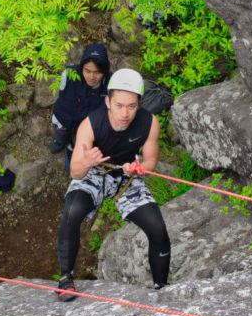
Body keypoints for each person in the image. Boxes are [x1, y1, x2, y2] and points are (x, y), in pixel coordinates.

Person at [55, 68, 171, 300]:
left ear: (139, 103)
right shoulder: (90, 125)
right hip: (93, 173)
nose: (125, 113)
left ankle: (162, 289)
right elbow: (75, 173)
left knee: (157, 228)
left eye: (131, 106)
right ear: (108, 101)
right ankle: (65, 279)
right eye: (119, 105)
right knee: (73, 211)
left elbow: (150, 162)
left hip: (126, 178)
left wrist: (140, 167)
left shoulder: (149, 123)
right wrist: (87, 162)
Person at [49, 43, 112, 162]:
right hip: (64, 117)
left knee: (77, 142)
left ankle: (70, 150)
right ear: (82, 67)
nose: (91, 76)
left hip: (85, 126)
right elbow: (61, 96)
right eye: (87, 71)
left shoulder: (110, 84)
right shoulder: (69, 75)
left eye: (97, 72)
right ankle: (59, 141)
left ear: (104, 71)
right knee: (60, 132)